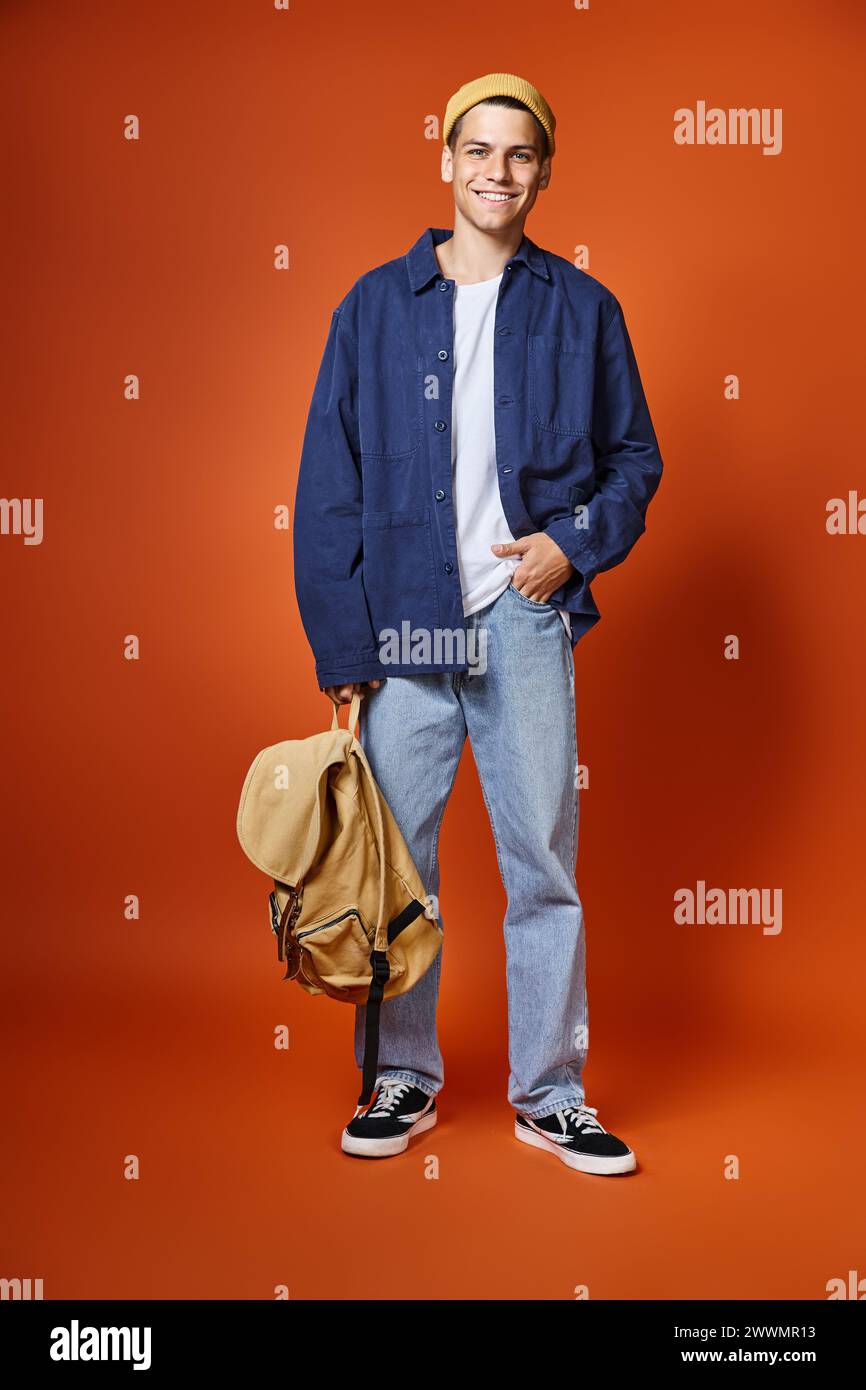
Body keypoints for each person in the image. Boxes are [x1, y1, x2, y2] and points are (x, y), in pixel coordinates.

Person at [293, 73, 663, 1176]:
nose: (495, 172)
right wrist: (345, 648)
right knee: (397, 871)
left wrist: (572, 542)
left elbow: (634, 460)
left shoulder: (582, 310)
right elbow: (328, 485)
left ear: (541, 173)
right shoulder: (371, 307)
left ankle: (548, 1092)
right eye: (477, 150)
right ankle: (399, 1073)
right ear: (443, 160)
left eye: (518, 155)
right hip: (408, 621)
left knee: (540, 859)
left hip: (518, 615)